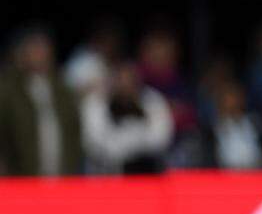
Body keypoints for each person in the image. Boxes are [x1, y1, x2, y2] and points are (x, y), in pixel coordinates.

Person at [0, 26, 83, 176]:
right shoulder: (9, 90)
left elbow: (74, 134)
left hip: (61, 179)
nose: (40, 53)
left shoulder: (63, 90)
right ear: (22, 53)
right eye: (34, 48)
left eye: (43, 48)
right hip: (22, 179)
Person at [82, 61, 174, 174]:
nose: (125, 86)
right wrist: (136, 135)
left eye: (130, 81)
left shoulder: (152, 100)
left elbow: (160, 140)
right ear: (112, 82)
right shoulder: (97, 102)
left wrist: (127, 138)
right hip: (106, 174)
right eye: (121, 81)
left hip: (145, 171)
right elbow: (97, 144)